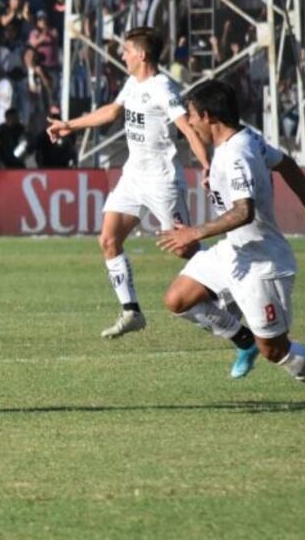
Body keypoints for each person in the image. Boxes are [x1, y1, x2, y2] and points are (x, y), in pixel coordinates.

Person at [47, 27, 211, 339]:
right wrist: (70, 125)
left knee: (184, 248)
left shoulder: (164, 88)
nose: (122, 55)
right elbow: (111, 112)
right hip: (134, 175)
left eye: (126, 50)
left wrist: (207, 167)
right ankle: (131, 311)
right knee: (108, 240)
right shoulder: (132, 83)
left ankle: (228, 280)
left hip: (162, 180)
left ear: (142, 55)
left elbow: (188, 130)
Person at [157, 80, 305, 386]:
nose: (188, 122)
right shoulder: (243, 140)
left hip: (262, 263)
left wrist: (194, 233)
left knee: (274, 350)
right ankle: (242, 340)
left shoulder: (236, 155)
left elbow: (245, 211)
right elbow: (287, 165)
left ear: (208, 116)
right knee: (178, 299)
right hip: (234, 251)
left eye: (191, 115)